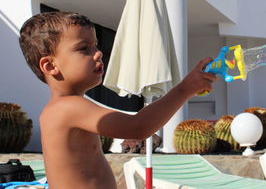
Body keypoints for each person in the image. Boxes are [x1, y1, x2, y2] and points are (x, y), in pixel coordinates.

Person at [19, 11, 217, 189]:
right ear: (50, 66)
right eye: (83, 48)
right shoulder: (68, 107)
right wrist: (184, 89)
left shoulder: (63, 107)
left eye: (95, 45)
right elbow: (137, 128)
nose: (98, 53)